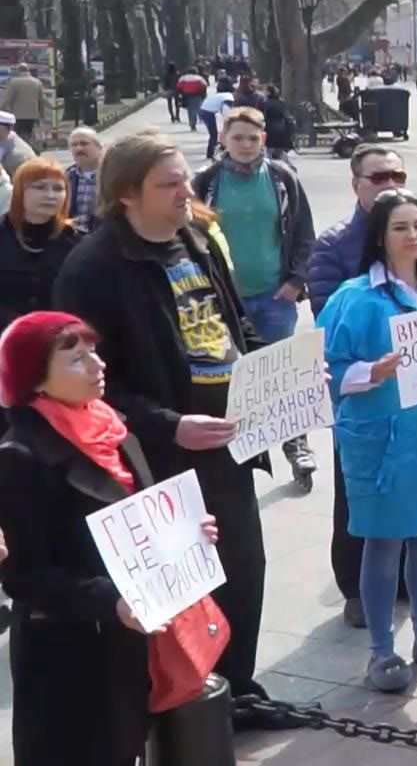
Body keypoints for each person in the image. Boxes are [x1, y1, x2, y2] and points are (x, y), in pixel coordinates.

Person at [51, 132, 302, 730]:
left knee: (243, 568)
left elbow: (232, 324)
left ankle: (237, 690)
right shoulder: (93, 267)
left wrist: (278, 373)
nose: (187, 191)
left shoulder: (195, 239)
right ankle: (183, 709)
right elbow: (86, 383)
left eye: (185, 179)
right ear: (126, 196)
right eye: (169, 184)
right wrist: (169, 426)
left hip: (230, 442)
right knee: (179, 586)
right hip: (155, 458)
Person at [0, 312, 223, 764]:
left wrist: (185, 536)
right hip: (68, 659)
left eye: (94, 352)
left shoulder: (110, 425)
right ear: (36, 379)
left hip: (130, 643)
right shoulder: (20, 456)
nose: (98, 365)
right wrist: (110, 601)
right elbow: (25, 578)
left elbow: (139, 518)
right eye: (78, 359)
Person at [316, 190, 417, 692]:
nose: (414, 236)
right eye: (401, 227)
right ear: (380, 238)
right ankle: (381, 652)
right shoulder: (355, 297)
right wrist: (371, 372)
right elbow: (323, 372)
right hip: (382, 442)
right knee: (383, 546)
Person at [306, 144, 417, 627]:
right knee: (371, 524)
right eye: (379, 177)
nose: (413, 235)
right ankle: (368, 615)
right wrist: (370, 371)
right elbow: (326, 353)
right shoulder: (346, 273)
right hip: (377, 424)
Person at [192, 107, 318, 489]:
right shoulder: (206, 182)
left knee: (284, 374)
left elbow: (303, 233)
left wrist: (296, 280)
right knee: (232, 380)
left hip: (274, 295)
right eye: (238, 138)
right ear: (223, 140)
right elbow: (191, 235)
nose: (246, 145)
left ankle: (297, 446)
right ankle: (240, 452)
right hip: (223, 301)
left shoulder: (282, 178)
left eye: (253, 137)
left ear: (264, 138)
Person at [0, 159, 83, 337]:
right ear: (20, 191)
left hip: (59, 344)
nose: (50, 195)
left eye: (58, 188)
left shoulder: (77, 242)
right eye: (39, 187)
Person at [64, 127, 102, 234]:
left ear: (99, 147)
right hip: (72, 238)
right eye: (74, 145)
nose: (79, 149)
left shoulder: (111, 175)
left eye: (84, 144)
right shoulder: (67, 176)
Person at [0, 65, 44, 146]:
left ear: (18, 71)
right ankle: (28, 147)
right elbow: (41, 100)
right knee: (28, 132)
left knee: (18, 134)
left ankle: (21, 149)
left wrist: (2, 109)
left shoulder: (14, 82)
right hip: (33, 114)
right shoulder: (37, 82)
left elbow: (8, 99)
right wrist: (42, 114)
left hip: (18, 115)